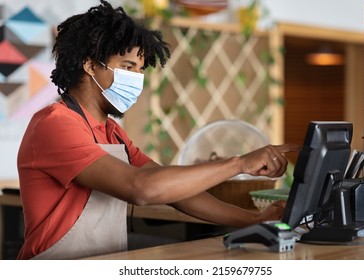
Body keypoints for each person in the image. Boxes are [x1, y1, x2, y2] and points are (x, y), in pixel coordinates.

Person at [16, 0, 299, 260]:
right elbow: (141, 188)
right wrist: (239, 163)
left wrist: (253, 218)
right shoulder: (56, 123)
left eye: (141, 69)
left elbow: (174, 191)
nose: (137, 79)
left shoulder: (112, 132)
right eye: (128, 67)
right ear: (90, 65)